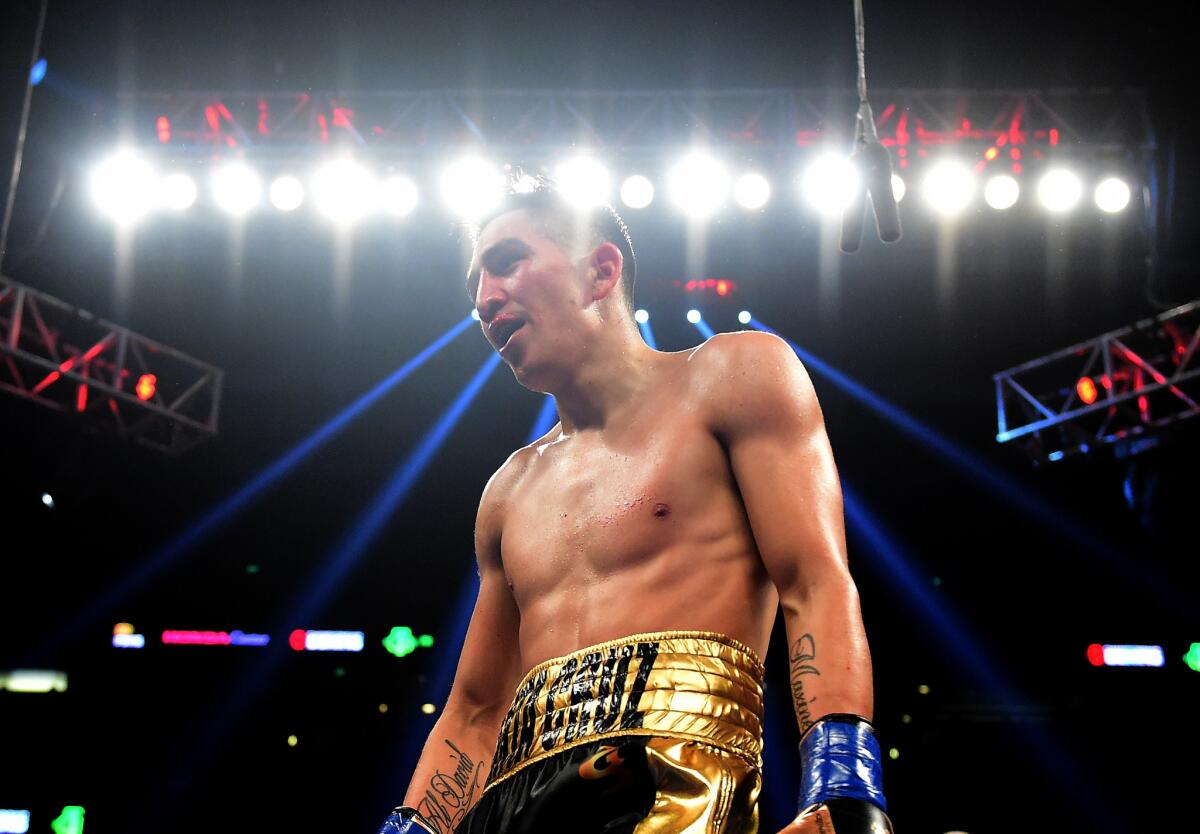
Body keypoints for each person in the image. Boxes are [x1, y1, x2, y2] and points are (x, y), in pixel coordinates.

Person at [378, 181, 891, 834]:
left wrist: (844, 779)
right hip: (511, 805)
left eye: (507, 261)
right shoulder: (507, 490)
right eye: (475, 281)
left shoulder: (733, 375)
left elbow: (814, 580)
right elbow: (476, 710)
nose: (484, 299)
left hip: (673, 774)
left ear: (601, 270)